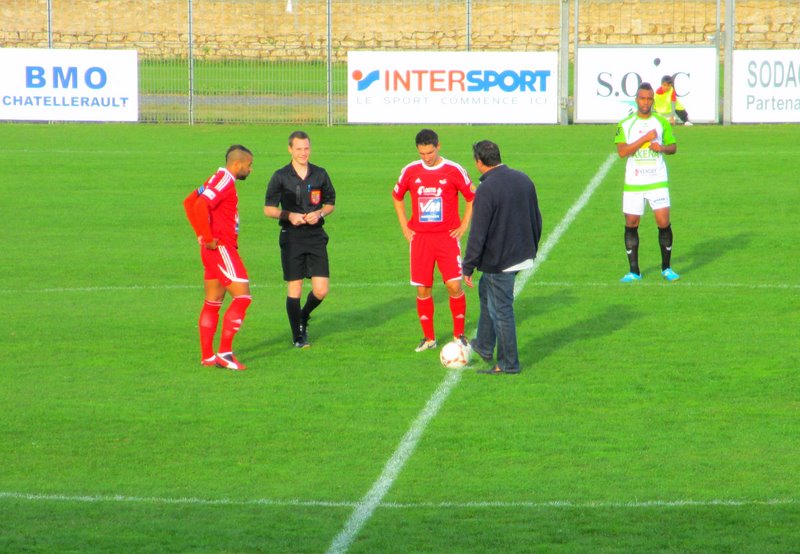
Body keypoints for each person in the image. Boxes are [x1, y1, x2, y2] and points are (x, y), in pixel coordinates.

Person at [462, 140, 542, 375]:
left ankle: (508, 364)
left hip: (500, 260)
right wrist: (532, 247)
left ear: (478, 161)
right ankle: (484, 345)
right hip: (522, 253)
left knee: (501, 310)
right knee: (486, 290)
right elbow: (536, 217)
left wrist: (468, 266)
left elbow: (478, 232)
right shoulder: (523, 179)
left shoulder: (487, 189)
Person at [392, 128, 475, 352]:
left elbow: (471, 197)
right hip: (420, 240)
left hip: (447, 238)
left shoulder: (453, 170)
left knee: (454, 285)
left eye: (429, 152)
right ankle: (429, 338)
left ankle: (459, 335)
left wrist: (464, 225)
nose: (426, 158)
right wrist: (405, 227)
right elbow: (397, 197)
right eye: (422, 153)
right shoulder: (410, 171)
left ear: (438, 146)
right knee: (423, 289)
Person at [183, 145, 254, 371]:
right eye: (249, 165)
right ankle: (225, 354)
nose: (250, 170)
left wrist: (201, 235)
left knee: (212, 303)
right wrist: (206, 235)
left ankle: (207, 357)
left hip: (212, 250)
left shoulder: (215, 178)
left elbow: (189, 202)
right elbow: (200, 204)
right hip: (222, 248)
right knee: (243, 297)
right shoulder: (225, 181)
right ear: (237, 164)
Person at [264, 130, 336, 348]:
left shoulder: (320, 174)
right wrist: (289, 215)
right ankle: (298, 336)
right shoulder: (280, 176)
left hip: (315, 236)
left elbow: (330, 203)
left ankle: (303, 316)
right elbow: (268, 209)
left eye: (306, 148)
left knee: (321, 289)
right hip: (292, 237)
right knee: (294, 288)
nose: (303, 153)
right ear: (290, 150)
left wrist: (320, 213)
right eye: (298, 149)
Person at [615, 82, 680, 283]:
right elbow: (622, 152)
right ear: (637, 100)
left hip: (657, 180)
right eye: (642, 98)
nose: (646, 102)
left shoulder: (661, 122)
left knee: (663, 222)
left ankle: (666, 268)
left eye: (649, 99)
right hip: (634, 182)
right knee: (631, 223)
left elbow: (673, 147)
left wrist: (661, 148)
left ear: (653, 100)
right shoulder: (625, 124)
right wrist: (645, 138)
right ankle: (634, 271)